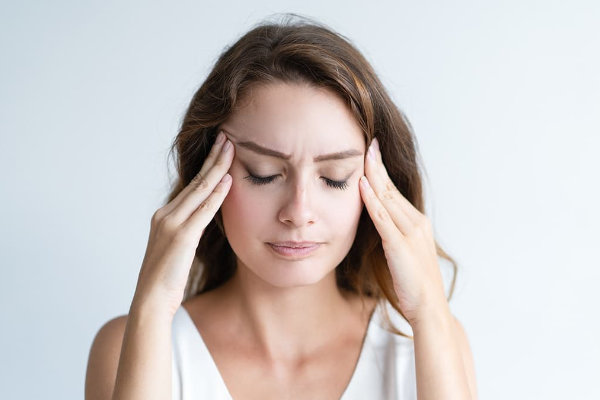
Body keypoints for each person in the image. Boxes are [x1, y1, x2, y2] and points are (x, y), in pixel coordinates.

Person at [85, 14, 477, 400]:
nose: (298, 211)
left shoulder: (426, 342)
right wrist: (153, 306)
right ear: (205, 176)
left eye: (334, 177)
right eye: (264, 173)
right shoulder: (128, 346)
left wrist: (429, 311)